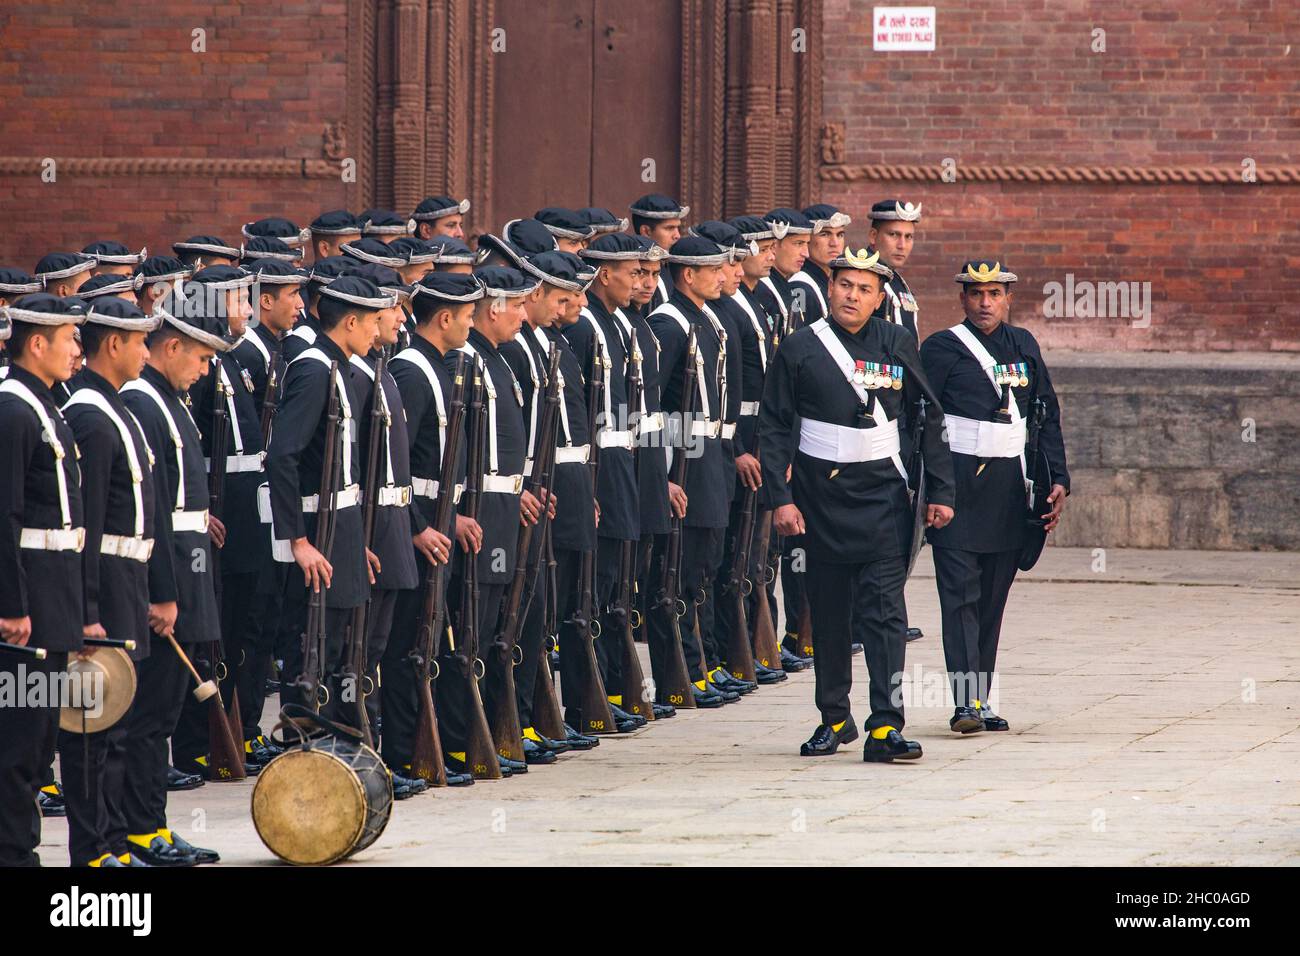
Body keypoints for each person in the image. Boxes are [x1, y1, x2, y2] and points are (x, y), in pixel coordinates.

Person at [759, 247, 955, 762]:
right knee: (827, 615)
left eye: (865, 289)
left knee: (886, 615)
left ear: (878, 298)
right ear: (831, 288)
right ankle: (833, 717)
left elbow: (927, 417)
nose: (853, 295)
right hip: (819, 500)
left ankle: (886, 726)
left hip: (885, 499)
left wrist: (941, 490)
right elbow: (775, 425)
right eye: (846, 284)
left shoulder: (896, 342)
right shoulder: (800, 348)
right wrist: (780, 499)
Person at [920, 260, 1069, 734]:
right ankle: (965, 704)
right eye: (976, 293)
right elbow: (925, 421)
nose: (985, 302)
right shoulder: (942, 348)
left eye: (995, 294)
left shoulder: (1023, 344)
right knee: (960, 597)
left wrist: (1057, 476)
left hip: (1010, 489)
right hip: (959, 488)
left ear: (1008, 298)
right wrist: (934, 488)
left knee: (990, 602)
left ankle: (980, 699)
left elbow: (1044, 412)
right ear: (962, 298)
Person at [119, 295, 228, 864]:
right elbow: (149, 507)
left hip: (188, 561)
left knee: (163, 709)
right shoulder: (143, 400)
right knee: (149, 711)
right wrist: (162, 591)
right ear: (171, 346)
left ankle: (152, 824)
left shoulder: (171, 398)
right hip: (168, 570)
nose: (206, 369)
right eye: (202, 358)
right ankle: (138, 830)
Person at [58, 296, 159, 867]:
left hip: (130, 577)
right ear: (114, 345)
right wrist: (88, 607)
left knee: (120, 721)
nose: (146, 350)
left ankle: (115, 841)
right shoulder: (92, 417)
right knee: (96, 728)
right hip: (107, 581)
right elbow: (88, 526)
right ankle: (92, 849)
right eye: (140, 340)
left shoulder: (115, 409)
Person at [266, 276, 387, 724]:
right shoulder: (315, 367)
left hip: (344, 527)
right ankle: (309, 752)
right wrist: (297, 540)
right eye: (374, 321)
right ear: (351, 321)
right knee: (315, 651)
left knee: (343, 650)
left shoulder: (343, 367)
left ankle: (342, 750)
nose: (378, 332)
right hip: (319, 529)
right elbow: (282, 457)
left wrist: (356, 543)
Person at [0, 294, 87, 867]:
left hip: (54, 598)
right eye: (70, 339)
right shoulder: (12, 408)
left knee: (39, 740)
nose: (79, 351)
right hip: (27, 601)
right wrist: (11, 603)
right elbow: (4, 511)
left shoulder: (42, 401)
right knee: (18, 741)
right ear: (38, 342)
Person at [440, 265, 537, 777]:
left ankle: (482, 737)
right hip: (476, 512)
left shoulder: (497, 358)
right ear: (493, 308)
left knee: (493, 630)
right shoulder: (467, 360)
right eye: (517, 305)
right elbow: (454, 449)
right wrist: (454, 512)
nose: (524, 314)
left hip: (501, 508)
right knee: (467, 632)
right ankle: (456, 742)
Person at [385, 272, 479, 787]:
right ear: (444, 318)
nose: (471, 325)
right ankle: (401, 755)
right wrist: (419, 527)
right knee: (406, 647)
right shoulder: (412, 373)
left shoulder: (441, 369)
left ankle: (431, 746)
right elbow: (393, 466)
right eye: (466, 317)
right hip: (416, 528)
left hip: (442, 524)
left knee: (432, 644)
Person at [646, 235, 739, 707]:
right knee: (677, 571)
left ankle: (702, 661)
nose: (724, 275)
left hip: (711, 450)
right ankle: (681, 672)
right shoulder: (668, 322)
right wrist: (662, 474)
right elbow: (651, 406)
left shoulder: (706, 318)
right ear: (688, 275)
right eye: (714, 269)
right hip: (684, 451)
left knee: (704, 562)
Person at [790, 203, 851, 326]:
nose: (834, 243)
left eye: (840, 235)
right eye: (825, 234)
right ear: (808, 239)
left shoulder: (829, 281)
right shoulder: (800, 287)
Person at [630, 193, 689, 309]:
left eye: (678, 228)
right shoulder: (633, 279)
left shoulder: (671, 268)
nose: (677, 235)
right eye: (669, 228)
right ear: (646, 231)